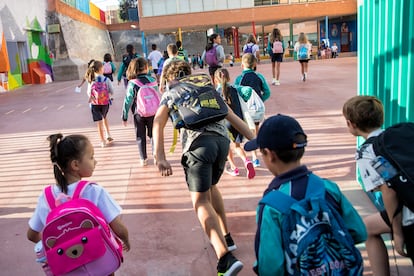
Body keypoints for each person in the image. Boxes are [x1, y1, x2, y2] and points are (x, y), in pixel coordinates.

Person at [153, 60, 255, 275]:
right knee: (212, 188)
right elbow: (230, 115)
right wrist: (253, 138)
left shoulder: (172, 92)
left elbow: (158, 121)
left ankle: (225, 258)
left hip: (197, 147)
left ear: (168, 77)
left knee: (200, 201)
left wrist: (159, 156)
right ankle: (226, 236)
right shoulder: (206, 88)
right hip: (221, 144)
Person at [243, 114, 367, 275]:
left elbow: (270, 267)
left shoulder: (271, 205)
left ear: (270, 154)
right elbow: (359, 232)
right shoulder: (328, 188)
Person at [27, 133, 131, 274]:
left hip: (69, 269)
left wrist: (60, 244)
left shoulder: (46, 197)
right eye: (91, 157)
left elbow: (31, 235)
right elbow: (118, 227)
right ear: (75, 164)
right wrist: (125, 239)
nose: (95, 161)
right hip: (100, 264)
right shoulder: (94, 191)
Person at [342, 95, 414, 276]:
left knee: (368, 228)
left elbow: (388, 190)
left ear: (351, 124)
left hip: (410, 214)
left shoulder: (369, 151)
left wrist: (397, 233)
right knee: (367, 227)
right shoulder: (398, 137)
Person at [214, 68, 255, 179]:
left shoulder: (216, 93)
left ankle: (234, 167)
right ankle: (246, 161)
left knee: (227, 146)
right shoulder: (235, 89)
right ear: (229, 78)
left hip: (224, 123)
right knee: (237, 146)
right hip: (237, 121)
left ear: (215, 80)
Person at [234, 53, 271, 168]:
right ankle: (255, 157)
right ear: (255, 64)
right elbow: (267, 92)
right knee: (255, 130)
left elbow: (235, 93)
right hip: (257, 109)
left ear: (242, 65)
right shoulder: (259, 77)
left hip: (245, 110)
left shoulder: (239, 79)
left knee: (246, 131)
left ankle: (251, 155)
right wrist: (260, 100)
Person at [122, 57, 159, 166]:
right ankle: (156, 155)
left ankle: (143, 158)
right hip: (153, 113)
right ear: (146, 68)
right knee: (153, 135)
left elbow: (128, 100)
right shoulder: (153, 80)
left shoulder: (133, 83)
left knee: (140, 136)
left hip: (139, 113)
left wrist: (124, 116)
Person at [86, 60, 114, 148]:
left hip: (95, 104)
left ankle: (102, 141)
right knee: (104, 117)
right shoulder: (106, 79)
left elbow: (88, 92)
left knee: (99, 123)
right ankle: (108, 134)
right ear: (101, 69)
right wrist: (107, 96)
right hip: (105, 103)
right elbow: (112, 91)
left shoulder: (91, 80)